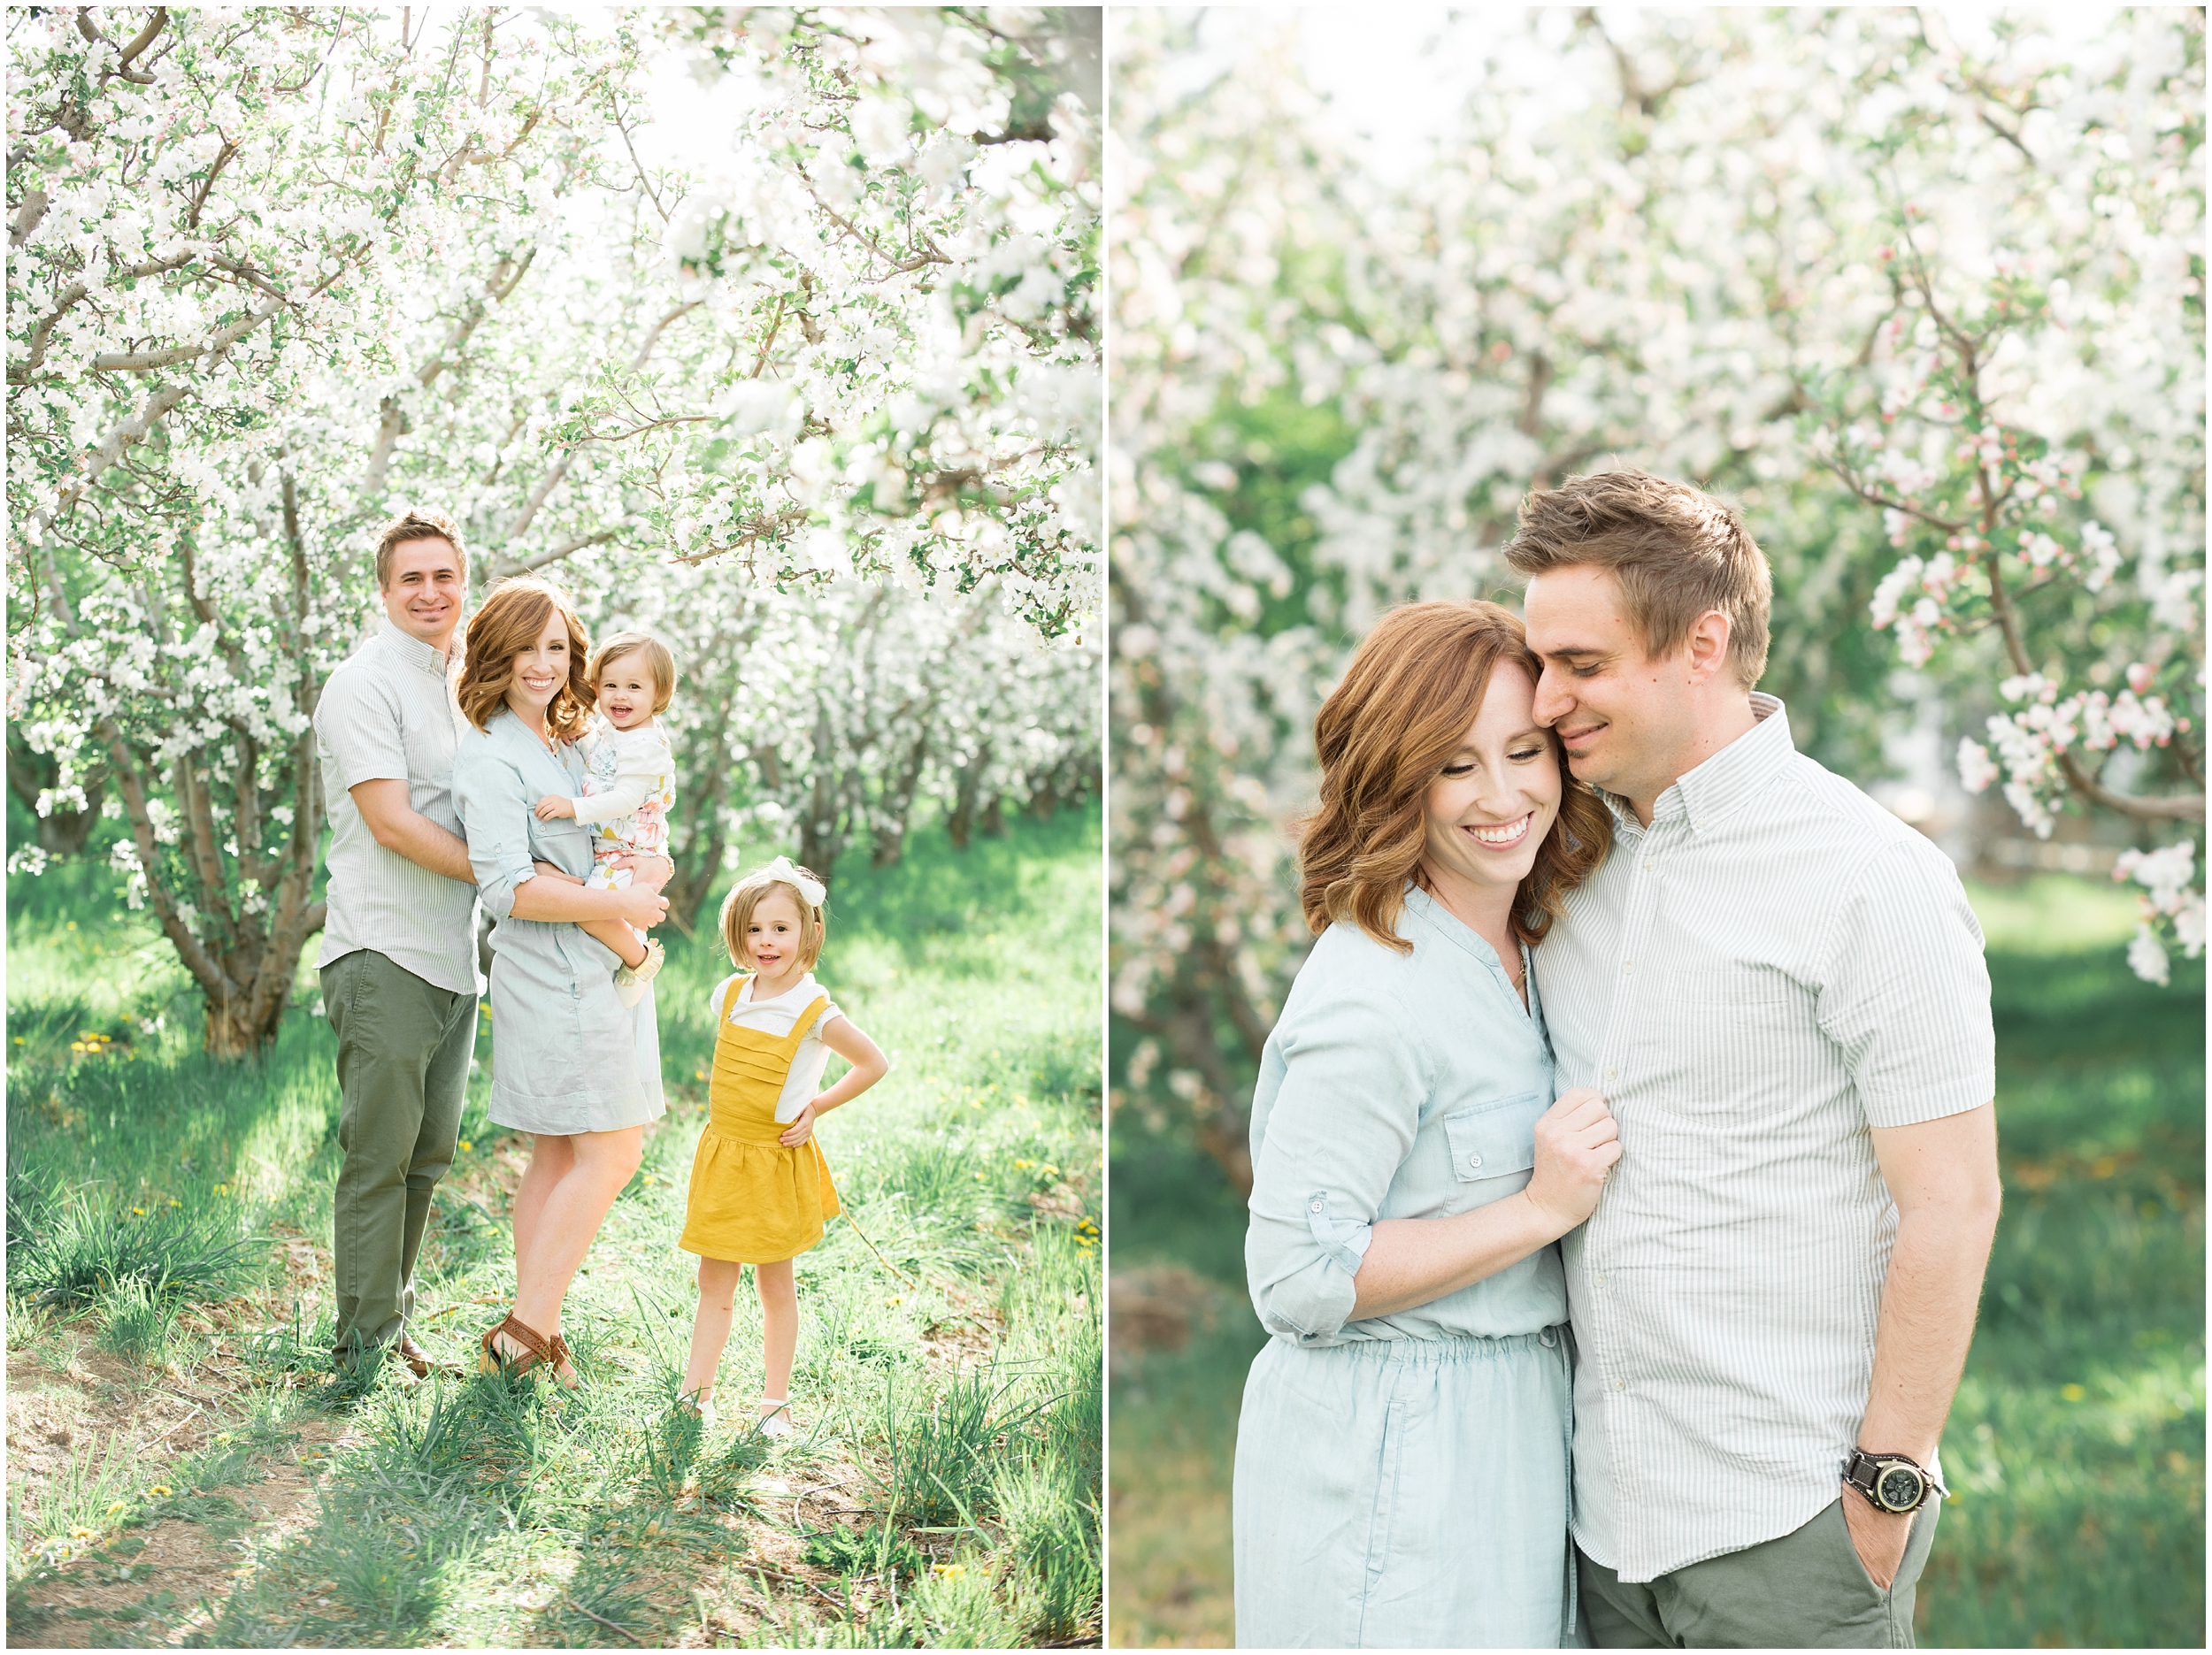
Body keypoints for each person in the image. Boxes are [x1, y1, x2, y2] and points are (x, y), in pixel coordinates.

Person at [1509, 469, 2001, 1649]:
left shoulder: (1871, 875)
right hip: (1599, 1524)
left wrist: (1883, 1489)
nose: (1543, 697)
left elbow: (1955, 1199)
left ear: (1704, 641)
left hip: (1791, 1521)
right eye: (1539, 661)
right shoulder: (1557, 856)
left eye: (1581, 663)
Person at [1233, 601, 1624, 1649]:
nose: (1503, 797)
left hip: (1515, 1431)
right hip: (1392, 1445)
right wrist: (1538, 1209)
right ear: (1396, 779)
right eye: (1455, 765)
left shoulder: (1539, 949)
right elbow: (1298, 1274)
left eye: (1523, 750)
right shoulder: (1372, 994)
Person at [450, 576, 672, 1381]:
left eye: (555, 647)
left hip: (593, 963)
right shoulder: (489, 756)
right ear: (495, 655)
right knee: (613, 1150)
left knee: (555, 1154)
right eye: (524, 648)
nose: (542, 664)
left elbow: (624, 827)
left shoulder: (572, 738)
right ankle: (524, 1335)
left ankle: (532, 1330)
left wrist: (642, 880)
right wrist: (617, 911)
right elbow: (513, 888)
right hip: (555, 977)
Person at [313, 510, 480, 1380]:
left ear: (464, 584)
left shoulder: (459, 685)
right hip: (383, 953)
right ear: (384, 590)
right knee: (380, 1157)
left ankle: (389, 1321)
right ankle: (360, 1351)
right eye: (411, 577)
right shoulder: (363, 682)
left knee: (425, 1157)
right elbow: (390, 822)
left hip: (456, 961)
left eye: (443, 576)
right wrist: (506, 878)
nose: (429, 592)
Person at [676, 858, 889, 1437]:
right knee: (712, 1283)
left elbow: (873, 1062)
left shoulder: (814, 1008)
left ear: (809, 932)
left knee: (776, 1286)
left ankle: (775, 1403)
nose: (766, 941)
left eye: (780, 928)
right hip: (725, 1156)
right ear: (737, 933)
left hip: (772, 1162)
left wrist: (816, 1106)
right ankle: (696, 1396)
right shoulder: (730, 994)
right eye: (753, 929)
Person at [533, 629, 679, 1006]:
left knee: (589, 910)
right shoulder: (619, 732)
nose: (620, 696)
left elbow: (627, 798)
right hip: (618, 845)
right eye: (610, 685)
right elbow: (602, 759)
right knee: (597, 907)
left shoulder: (644, 744)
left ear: (658, 694)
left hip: (627, 847)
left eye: (634, 687)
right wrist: (577, 736)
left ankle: (640, 959)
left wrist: (572, 808)